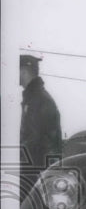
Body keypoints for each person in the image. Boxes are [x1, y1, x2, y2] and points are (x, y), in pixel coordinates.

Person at [19, 53, 62, 200]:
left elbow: (35, 140)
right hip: (34, 171)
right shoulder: (34, 98)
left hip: (35, 173)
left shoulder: (38, 100)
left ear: (23, 71)